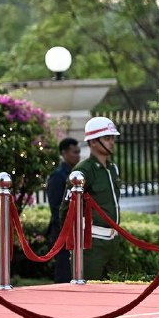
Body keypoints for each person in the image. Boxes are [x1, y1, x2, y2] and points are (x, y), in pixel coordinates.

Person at [59, 117, 122, 281]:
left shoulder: (112, 168)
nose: (112, 142)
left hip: (113, 241)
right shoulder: (82, 171)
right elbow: (66, 209)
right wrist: (73, 243)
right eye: (107, 138)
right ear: (93, 142)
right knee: (90, 296)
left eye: (113, 138)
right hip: (91, 243)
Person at [46, 137, 81, 283]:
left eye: (79, 152)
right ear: (64, 153)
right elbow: (56, 207)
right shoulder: (58, 176)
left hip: (74, 228)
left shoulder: (76, 175)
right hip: (61, 229)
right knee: (64, 270)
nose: (78, 155)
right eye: (74, 152)